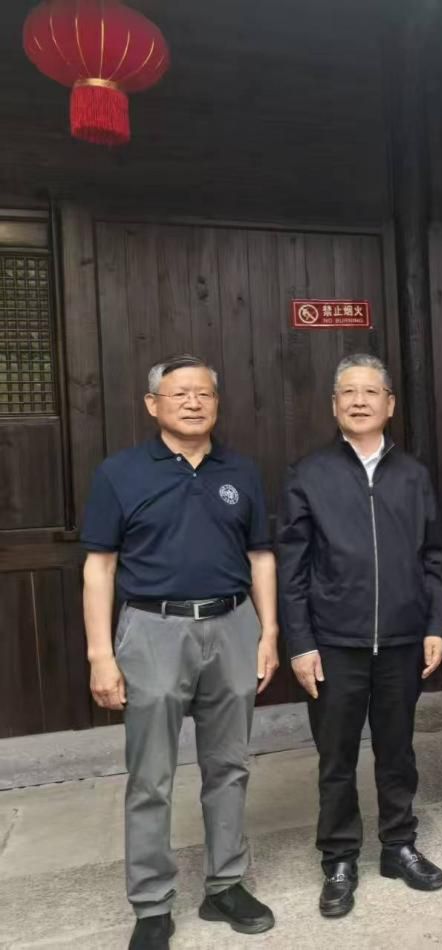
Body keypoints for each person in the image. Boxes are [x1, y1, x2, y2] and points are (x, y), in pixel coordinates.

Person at [81, 355, 279, 950]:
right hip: (153, 630)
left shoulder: (240, 470)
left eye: (204, 394)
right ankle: (151, 904)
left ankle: (226, 885)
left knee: (229, 765)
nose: (193, 403)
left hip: (233, 625)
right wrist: (100, 654)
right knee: (151, 776)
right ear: (153, 405)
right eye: (180, 394)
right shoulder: (120, 473)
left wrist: (268, 632)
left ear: (217, 403)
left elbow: (261, 556)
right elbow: (99, 566)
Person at [276, 354, 442, 918]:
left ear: (389, 404)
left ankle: (399, 845)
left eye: (370, 392)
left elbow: (433, 557)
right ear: (334, 405)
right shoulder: (309, 473)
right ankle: (339, 858)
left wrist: (435, 625)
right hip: (334, 643)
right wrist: (301, 642)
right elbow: (292, 567)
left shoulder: (413, 474)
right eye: (348, 392)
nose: (359, 401)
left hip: (401, 640)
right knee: (337, 758)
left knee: (399, 752)